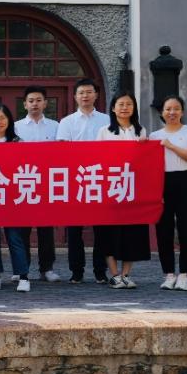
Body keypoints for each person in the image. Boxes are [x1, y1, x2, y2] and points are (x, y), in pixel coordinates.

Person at [56, 78, 110, 284]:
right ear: (75, 97)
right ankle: (76, 271)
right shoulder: (67, 122)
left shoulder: (107, 120)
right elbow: (62, 151)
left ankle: (100, 271)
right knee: (74, 230)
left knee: (101, 229)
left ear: (96, 95)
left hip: (100, 179)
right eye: (81, 93)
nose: (85, 96)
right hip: (75, 179)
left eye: (89, 92)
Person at [96, 92, 151, 289]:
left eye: (129, 104)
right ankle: (114, 274)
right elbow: (97, 158)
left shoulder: (141, 131)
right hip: (111, 188)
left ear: (134, 108)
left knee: (132, 233)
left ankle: (126, 274)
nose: (125, 108)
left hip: (134, 189)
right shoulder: (104, 131)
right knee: (109, 232)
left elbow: (146, 160)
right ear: (113, 108)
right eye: (121, 104)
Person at [151, 95, 187, 291]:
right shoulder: (155, 136)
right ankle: (169, 274)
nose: (172, 112)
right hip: (162, 182)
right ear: (162, 112)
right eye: (168, 109)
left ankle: (184, 274)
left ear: (182, 111)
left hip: (186, 180)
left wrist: (171, 146)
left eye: (176, 108)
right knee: (163, 229)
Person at [0, 105, 32, 293]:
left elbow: (25, 168)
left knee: (15, 238)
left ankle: (23, 276)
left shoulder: (18, 143)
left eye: (2, 118)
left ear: (9, 121)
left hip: (12, 199)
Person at [14, 86, 61, 284]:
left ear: (45, 103)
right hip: (23, 182)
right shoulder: (15, 127)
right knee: (22, 229)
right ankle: (21, 268)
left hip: (46, 183)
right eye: (31, 100)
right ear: (25, 104)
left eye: (39, 100)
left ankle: (47, 268)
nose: (35, 104)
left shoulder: (55, 126)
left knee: (46, 229)